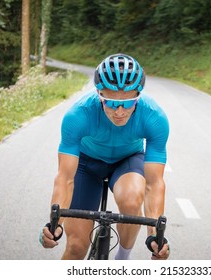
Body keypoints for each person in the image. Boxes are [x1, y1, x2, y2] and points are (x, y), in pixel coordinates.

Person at [39, 53, 170, 260]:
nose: (119, 111)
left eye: (128, 102)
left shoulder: (154, 117)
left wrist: (155, 236)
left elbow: (154, 184)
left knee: (132, 197)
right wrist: (54, 225)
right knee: (76, 248)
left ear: (139, 95)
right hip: (86, 164)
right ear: (99, 94)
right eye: (110, 102)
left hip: (127, 161)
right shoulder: (79, 114)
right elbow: (65, 178)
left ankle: (121, 259)